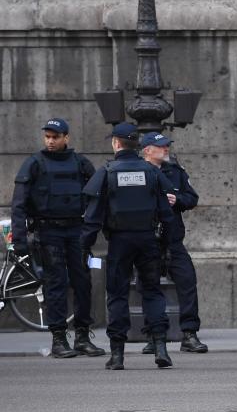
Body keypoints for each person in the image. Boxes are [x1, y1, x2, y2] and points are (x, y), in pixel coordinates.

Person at [80, 122, 176, 370]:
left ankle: (117, 355)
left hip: (120, 241)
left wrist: (84, 247)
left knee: (117, 294)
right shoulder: (151, 172)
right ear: (137, 145)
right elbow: (166, 213)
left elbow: (93, 217)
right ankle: (160, 347)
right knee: (152, 291)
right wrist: (167, 245)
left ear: (116, 143)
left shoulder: (107, 172)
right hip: (148, 240)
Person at [10, 118, 105, 358]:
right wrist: (19, 242)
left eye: (55, 137)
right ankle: (59, 339)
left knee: (83, 283)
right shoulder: (34, 164)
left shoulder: (80, 163)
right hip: (48, 231)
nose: (50, 141)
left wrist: (91, 229)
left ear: (66, 138)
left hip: (76, 231)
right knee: (56, 284)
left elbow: (97, 196)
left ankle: (82, 337)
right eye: (47, 137)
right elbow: (19, 205)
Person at [139, 132, 208, 354]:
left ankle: (189, 334)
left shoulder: (176, 172)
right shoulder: (137, 172)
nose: (166, 149)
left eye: (167, 145)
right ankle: (154, 336)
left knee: (187, 282)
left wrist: (177, 200)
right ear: (147, 150)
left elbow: (192, 198)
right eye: (161, 146)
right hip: (148, 241)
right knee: (149, 288)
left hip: (173, 241)